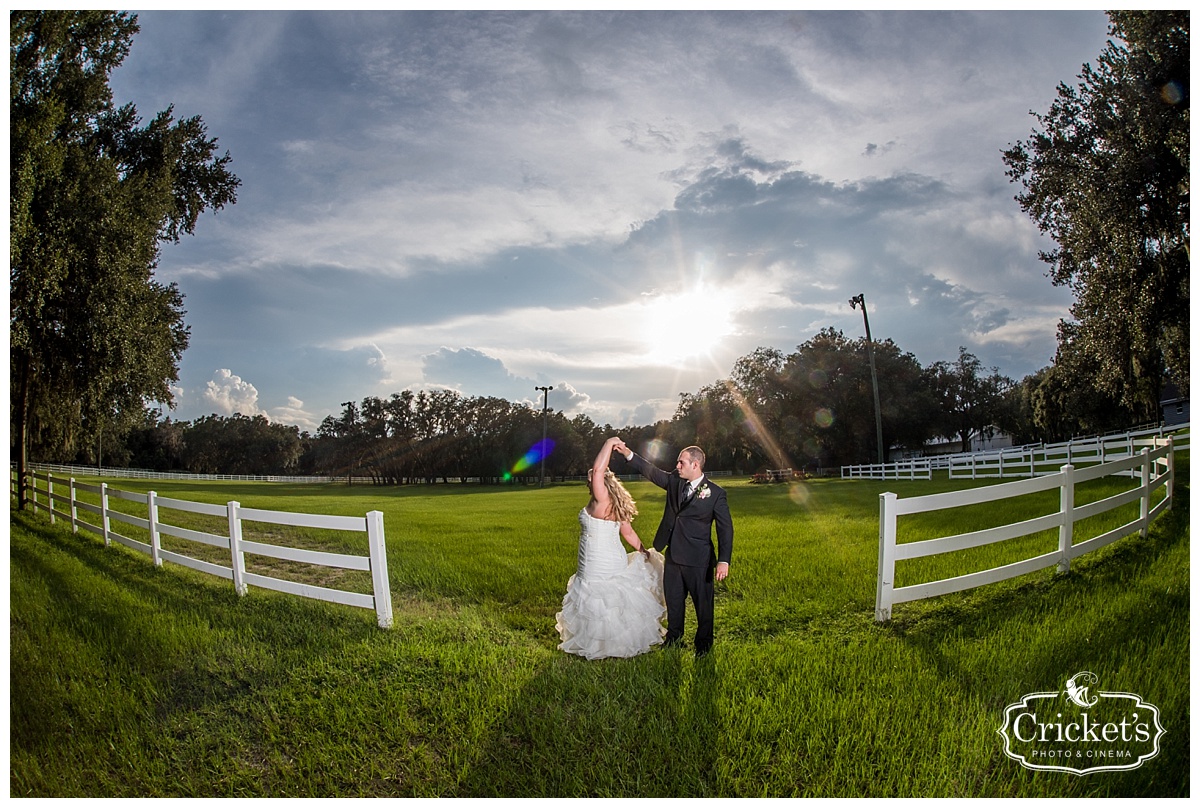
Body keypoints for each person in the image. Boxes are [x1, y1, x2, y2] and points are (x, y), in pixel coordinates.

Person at [614, 439, 732, 657]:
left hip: (700, 560)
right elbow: (651, 471)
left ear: (695, 465)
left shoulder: (716, 494)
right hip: (673, 556)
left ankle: (704, 645)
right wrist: (628, 453)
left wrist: (724, 560)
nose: (677, 466)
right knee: (674, 601)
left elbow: (726, 529)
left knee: (703, 606)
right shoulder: (675, 481)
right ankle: (674, 638)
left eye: (681, 463)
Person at [555, 437, 667, 660]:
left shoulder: (601, 498)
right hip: (609, 556)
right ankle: (612, 643)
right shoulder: (611, 503)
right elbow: (628, 533)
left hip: (597, 560)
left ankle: (600, 646)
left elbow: (597, 470)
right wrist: (643, 550)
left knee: (598, 599)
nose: (589, 477)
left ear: (600, 481)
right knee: (610, 601)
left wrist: (609, 443)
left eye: (592, 476)